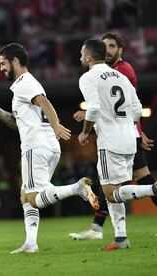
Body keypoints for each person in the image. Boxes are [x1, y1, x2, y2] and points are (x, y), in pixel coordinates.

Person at [0, 43, 99, 254]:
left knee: (34, 197)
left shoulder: (25, 82)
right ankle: (30, 243)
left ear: (15, 61)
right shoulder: (23, 87)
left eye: (3, 63)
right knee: (26, 195)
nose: (1, 68)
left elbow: (44, 102)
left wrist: (55, 125)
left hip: (36, 146)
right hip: (46, 146)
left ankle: (76, 188)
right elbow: (16, 122)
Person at [69, 33, 157, 248]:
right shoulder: (121, 77)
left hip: (110, 142)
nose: (81, 58)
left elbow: (95, 108)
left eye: (82, 55)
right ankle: (120, 238)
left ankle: (153, 190)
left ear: (89, 57)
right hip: (129, 138)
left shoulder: (88, 77)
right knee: (114, 187)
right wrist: (122, 121)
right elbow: (137, 110)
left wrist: (84, 132)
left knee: (110, 193)